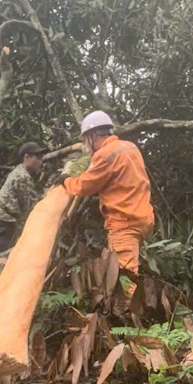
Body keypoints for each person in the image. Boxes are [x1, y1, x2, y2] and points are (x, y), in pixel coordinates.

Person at [60, 111, 154, 296]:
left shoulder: (105, 155)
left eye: (87, 140)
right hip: (142, 218)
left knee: (124, 276)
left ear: (93, 136)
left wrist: (65, 180)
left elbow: (84, 186)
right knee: (123, 270)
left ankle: (130, 320)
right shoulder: (130, 147)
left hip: (124, 222)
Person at [0, 142, 46, 268]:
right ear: (26, 157)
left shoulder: (18, 172)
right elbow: (32, 208)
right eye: (37, 158)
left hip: (3, 222)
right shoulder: (22, 177)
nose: (41, 162)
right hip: (3, 223)